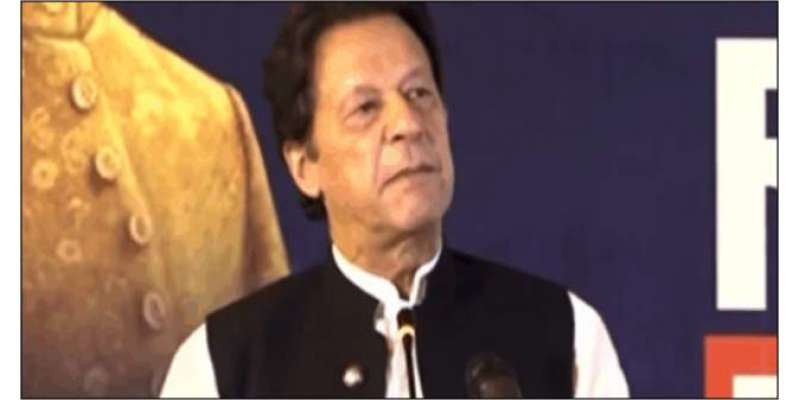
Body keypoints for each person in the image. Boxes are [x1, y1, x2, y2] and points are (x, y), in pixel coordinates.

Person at [161, 3, 628, 398]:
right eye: (365, 108)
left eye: (419, 93)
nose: (408, 124)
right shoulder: (221, 366)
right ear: (304, 166)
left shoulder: (565, 334)